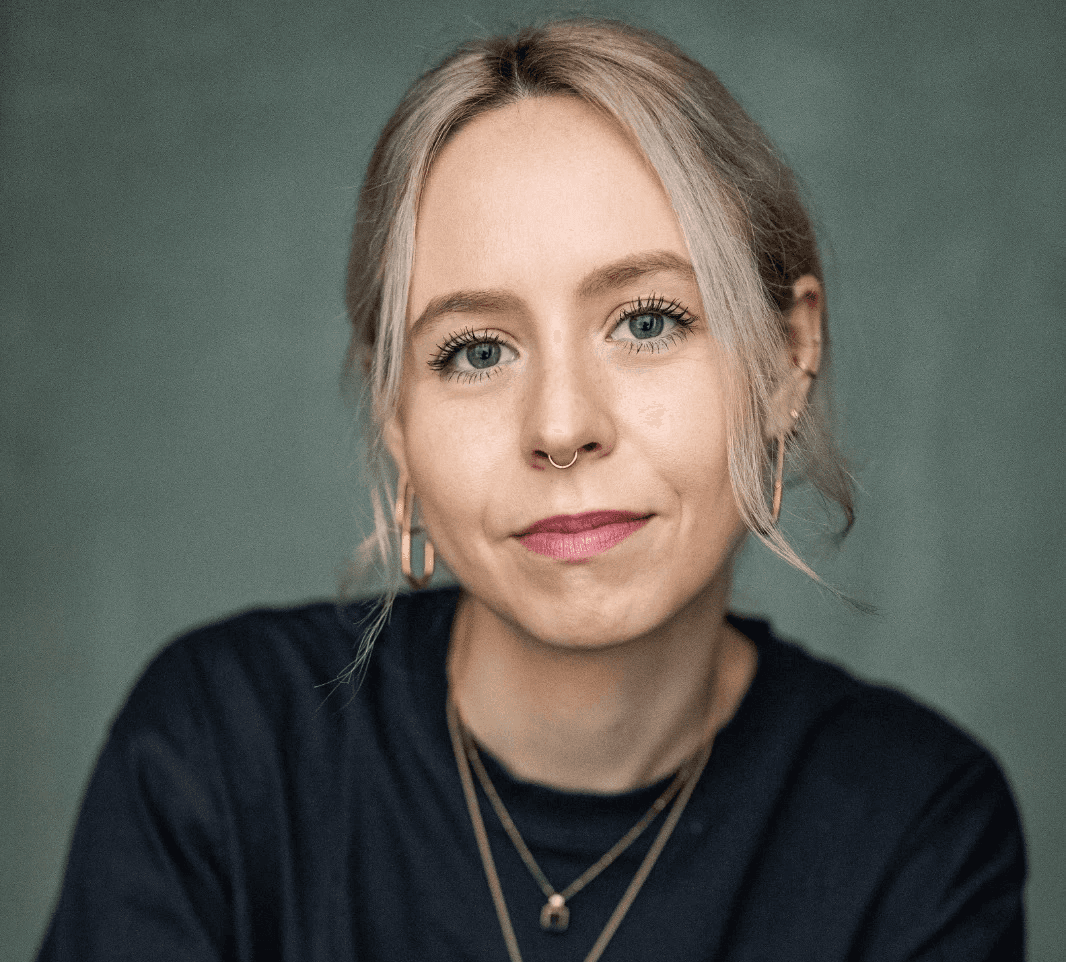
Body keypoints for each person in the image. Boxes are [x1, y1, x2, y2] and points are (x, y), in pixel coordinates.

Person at [38, 18, 1025, 962]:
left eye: (647, 322)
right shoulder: (217, 748)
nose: (559, 426)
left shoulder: (915, 826)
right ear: (395, 416)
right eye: (477, 350)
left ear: (787, 357)